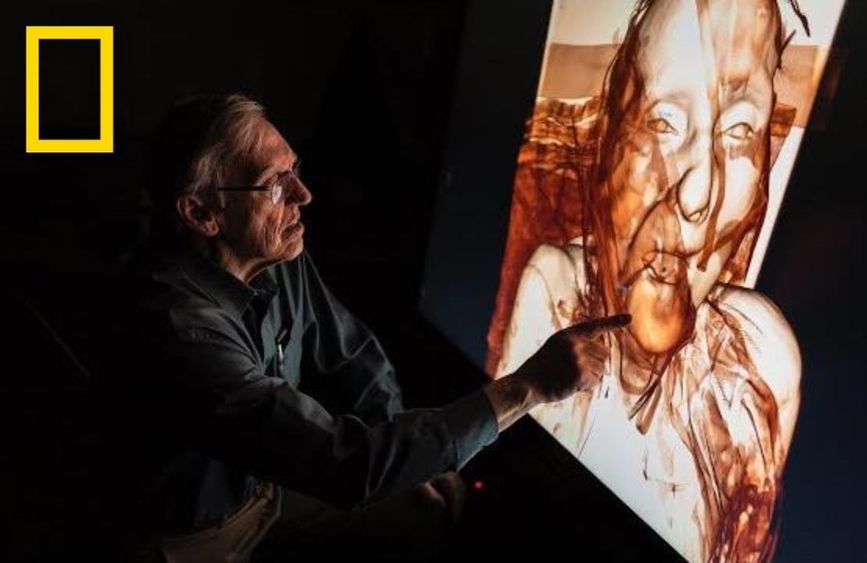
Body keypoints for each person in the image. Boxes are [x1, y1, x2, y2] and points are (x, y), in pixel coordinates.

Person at [97, 94, 630, 562]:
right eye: (275, 185)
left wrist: (416, 460)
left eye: (294, 169)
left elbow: (352, 356)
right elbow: (345, 465)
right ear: (201, 214)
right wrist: (527, 387)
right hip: (188, 540)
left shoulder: (272, 252)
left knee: (425, 511)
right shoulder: (178, 329)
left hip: (268, 492)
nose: (304, 195)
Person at [492, 0, 806, 561]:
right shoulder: (557, 289)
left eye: (739, 130)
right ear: (612, 146)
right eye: (663, 123)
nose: (697, 193)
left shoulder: (759, 359)